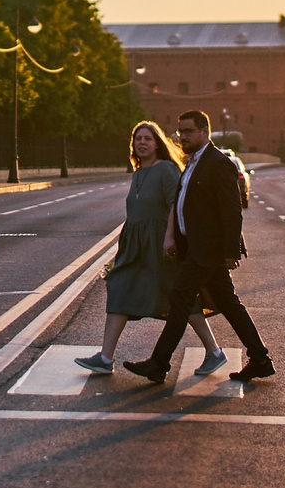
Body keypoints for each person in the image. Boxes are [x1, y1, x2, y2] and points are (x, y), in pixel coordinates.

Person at [123, 109, 275, 384]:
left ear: (205, 132)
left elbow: (231, 210)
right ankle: (260, 359)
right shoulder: (192, 163)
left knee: (180, 301)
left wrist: (230, 251)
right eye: (180, 131)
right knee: (229, 304)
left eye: (189, 131)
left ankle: (158, 364)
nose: (183, 136)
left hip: (208, 250)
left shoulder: (218, 163)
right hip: (195, 248)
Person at [76, 122, 221, 376]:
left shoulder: (166, 169)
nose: (142, 143)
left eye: (148, 139)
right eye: (137, 139)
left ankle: (214, 351)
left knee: (180, 298)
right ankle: (105, 357)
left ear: (158, 143)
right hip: (135, 248)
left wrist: (169, 238)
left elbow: (176, 205)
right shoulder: (139, 172)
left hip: (162, 246)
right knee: (119, 287)